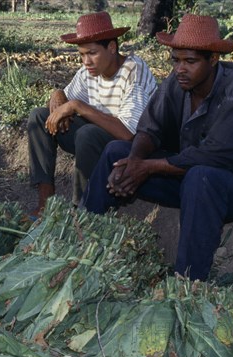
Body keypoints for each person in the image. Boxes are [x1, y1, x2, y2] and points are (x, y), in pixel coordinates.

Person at [82, 14, 233, 281]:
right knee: (117, 152)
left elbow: (214, 155)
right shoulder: (178, 82)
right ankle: (80, 239)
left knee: (201, 177)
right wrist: (134, 162)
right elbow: (150, 129)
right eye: (175, 60)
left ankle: (186, 281)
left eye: (190, 61)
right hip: (188, 179)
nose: (180, 69)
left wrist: (147, 167)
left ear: (213, 59)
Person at [27, 11, 157, 216]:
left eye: (92, 53)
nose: (86, 61)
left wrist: (78, 106)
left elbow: (128, 134)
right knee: (39, 116)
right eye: (81, 54)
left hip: (128, 149)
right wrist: (58, 95)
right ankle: (45, 203)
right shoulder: (89, 71)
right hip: (95, 139)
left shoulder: (134, 70)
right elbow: (62, 104)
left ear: (112, 48)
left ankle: (83, 210)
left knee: (87, 133)